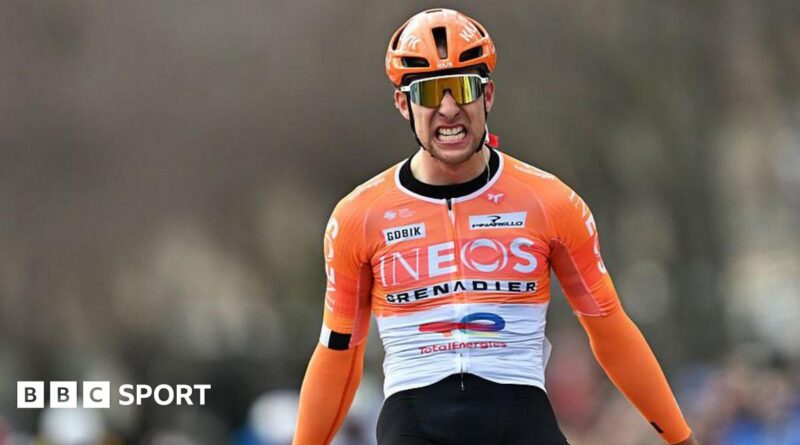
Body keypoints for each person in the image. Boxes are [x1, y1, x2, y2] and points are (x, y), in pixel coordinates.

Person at [293, 8, 698, 445]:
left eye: (464, 88)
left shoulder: (550, 202)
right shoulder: (359, 216)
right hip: (414, 421)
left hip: (519, 414)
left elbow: (609, 328)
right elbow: (339, 354)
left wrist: (680, 438)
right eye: (430, 94)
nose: (449, 109)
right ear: (403, 104)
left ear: (487, 95)